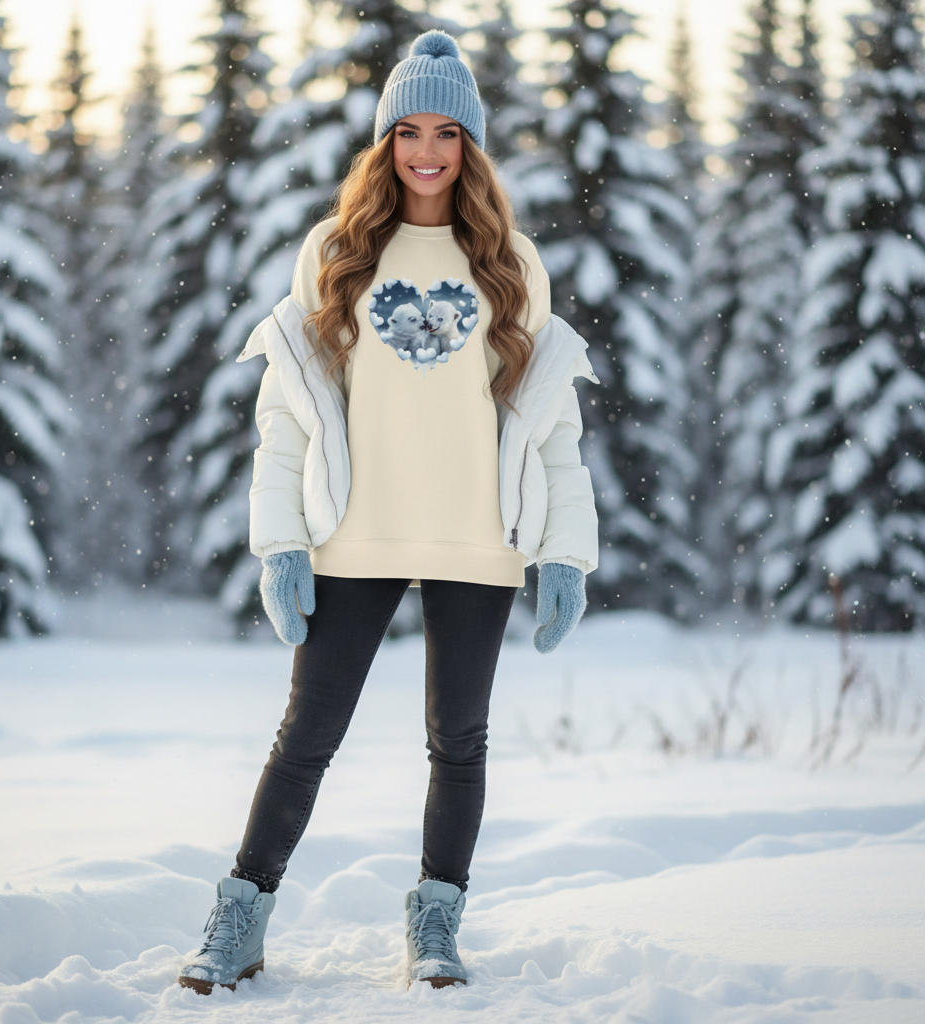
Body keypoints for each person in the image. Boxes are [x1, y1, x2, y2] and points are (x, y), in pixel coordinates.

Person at [176, 30, 599, 995]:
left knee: (459, 743)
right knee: (306, 737)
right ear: (383, 141)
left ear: (471, 146)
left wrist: (566, 554)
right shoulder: (336, 251)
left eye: (447, 131)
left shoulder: (511, 262)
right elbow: (288, 414)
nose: (426, 150)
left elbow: (551, 428)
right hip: (352, 536)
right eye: (408, 129)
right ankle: (239, 918)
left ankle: (436, 926)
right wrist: (282, 539)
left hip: (475, 540)